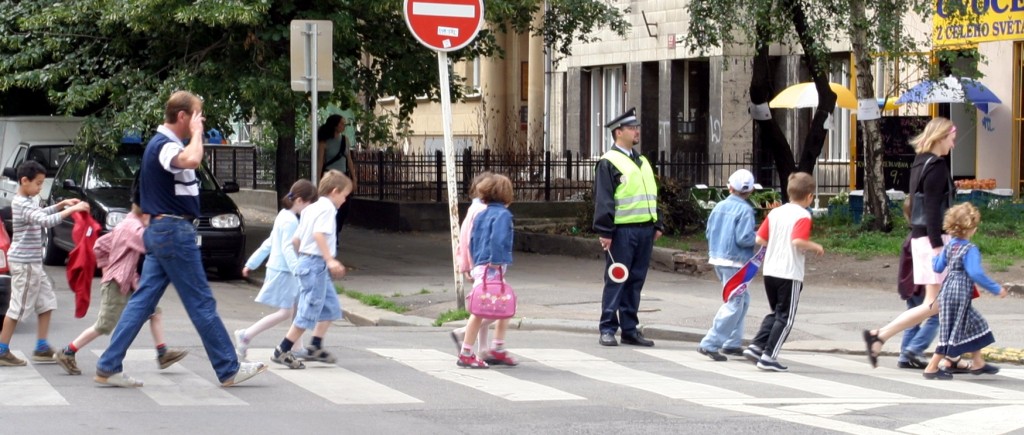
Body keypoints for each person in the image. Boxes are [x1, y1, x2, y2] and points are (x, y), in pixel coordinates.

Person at [95, 91, 266, 387]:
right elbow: (192, 159)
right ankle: (228, 368)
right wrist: (198, 135)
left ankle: (108, 365)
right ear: (183, 116)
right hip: (174, 232)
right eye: (198, 115)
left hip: (164, 231)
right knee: (201, 301)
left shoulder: (163, 144)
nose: (202, 120)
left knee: (143, 301)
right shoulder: (164, 145)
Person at [862, 118, 968, 372]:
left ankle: (952, 357)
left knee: (939, 304)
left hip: (922, 238)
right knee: (935, 304)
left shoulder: (920, 162)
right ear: (941, 136)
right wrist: (939, 247)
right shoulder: (937, 167)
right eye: (952, 138)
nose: (953, 143)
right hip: (934, 240)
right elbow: (932, 209)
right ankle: (880, 335)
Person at [55, 204, 188, 375]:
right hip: (117, 283)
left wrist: (105, 267)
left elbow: (100, 245)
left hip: (129, 281)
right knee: (104, 324)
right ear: (146, 212)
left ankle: (162, 353)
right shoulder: (133, 228)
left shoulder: (126, 222)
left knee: (154, 311)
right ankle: (68, 351)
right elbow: (150, 245)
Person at [0, 160, 90, 367]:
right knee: (17, 308)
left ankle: (41, 347)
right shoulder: (21, 203)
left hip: (33, 263)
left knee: (47, 302)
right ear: (24, 181)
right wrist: (72, 209)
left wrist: (60, 205)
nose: (41, 187)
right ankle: (2, 350)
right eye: (38, 183)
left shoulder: (30, 199)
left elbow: (42, 214)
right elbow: (45, 221)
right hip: (24, 264)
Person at [593, 108, 663, 347]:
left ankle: (630, 329)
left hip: (644, 230)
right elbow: (604, 199)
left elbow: (651, 193)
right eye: (633, 128)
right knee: (617, 279)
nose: (637, 132)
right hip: (621, 232)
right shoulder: (608, 162)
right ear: (618, 132)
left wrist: (658, 222)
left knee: (636, 281)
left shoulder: (641, 160)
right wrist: (605, 231)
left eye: (637, 128)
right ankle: (608, 328)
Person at [742, 172, 824, 372]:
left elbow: (760, 240)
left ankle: (757, 346)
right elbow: (797, 241)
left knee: (776, 312)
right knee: (785, 318)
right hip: (790, 272)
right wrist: (815, 246)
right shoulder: (803, 215)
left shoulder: (775, 212)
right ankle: (769, 356)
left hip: (771, 270)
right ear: (809, 196)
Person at [271, 170, 351, 369]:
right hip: (316, 264)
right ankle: (282, 349)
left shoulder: (310, 209)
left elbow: (296, 240)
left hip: (311, 264)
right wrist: (329, 259)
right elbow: (318, 234)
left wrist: (304, 259)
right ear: (335, 191)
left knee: (330, 307)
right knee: (309, 310)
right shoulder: (327, 210)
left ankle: (315, 346)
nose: (344, 200)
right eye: (344, 195)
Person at [234, 180, 319, 360]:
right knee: (286, 312)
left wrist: (251, 263)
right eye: (310, 203)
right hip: (285, 271)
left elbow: (270, 243)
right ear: (301, 201)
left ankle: (297, 346)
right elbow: (288, 248)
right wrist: (298, 270)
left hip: (282, 269)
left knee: (296, 308)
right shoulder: (290, 222)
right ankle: (246, 335)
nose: (310, 208)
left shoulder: (283, 216)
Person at [923, 203, 1006, 380]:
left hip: (947, 292)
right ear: (971, 229)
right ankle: (931, 367)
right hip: (960, 293)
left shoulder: (950, 246)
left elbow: (938, 267)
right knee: (953, 330)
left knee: (977, 324)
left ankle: (978, 362)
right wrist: (996, 288)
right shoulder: (970, 249)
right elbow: (975, 272)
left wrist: (933, 259)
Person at [456, 174, 518, 368]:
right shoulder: (503, 215)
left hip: (480, 265)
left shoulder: (481, 213)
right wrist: (497, 262)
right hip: (493, 267)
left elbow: (472, 240)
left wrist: (474, 263)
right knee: (490, 307)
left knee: (493, 307)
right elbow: (498, 239)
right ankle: (470, 351)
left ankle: (493, 348)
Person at [697, 169, 757, 361]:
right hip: (736, 261)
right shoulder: (746, 210)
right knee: (735, 302)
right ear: (750, 191)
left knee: (742, 300)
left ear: (729, 187)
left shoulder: (719, 206)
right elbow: (744, 238)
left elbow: (708, 231)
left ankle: (732, 342)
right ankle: (710, 343)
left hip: (717, 257)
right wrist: (761, 237)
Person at [449, 172, 497, 354]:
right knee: (498, 309)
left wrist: (465, 265)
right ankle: (462, 333)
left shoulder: (473, 209)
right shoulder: (483, 211)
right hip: (484, 265)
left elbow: (463, 238)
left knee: (482, 305)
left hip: (475, 264)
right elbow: (473, 240)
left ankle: (483, 347)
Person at [317, 114, 357, 241]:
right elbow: (320, 162)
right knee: (330, 207)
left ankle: (336, 230)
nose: (343, 126)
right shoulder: (324, 141)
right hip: (330, 177)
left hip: (343, 177)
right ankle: (332, 235)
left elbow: (349, 160)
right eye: (341, 124)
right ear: (335, 125)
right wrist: (318, 180)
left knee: (345, 207)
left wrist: (354, 178)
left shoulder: (345, 140)